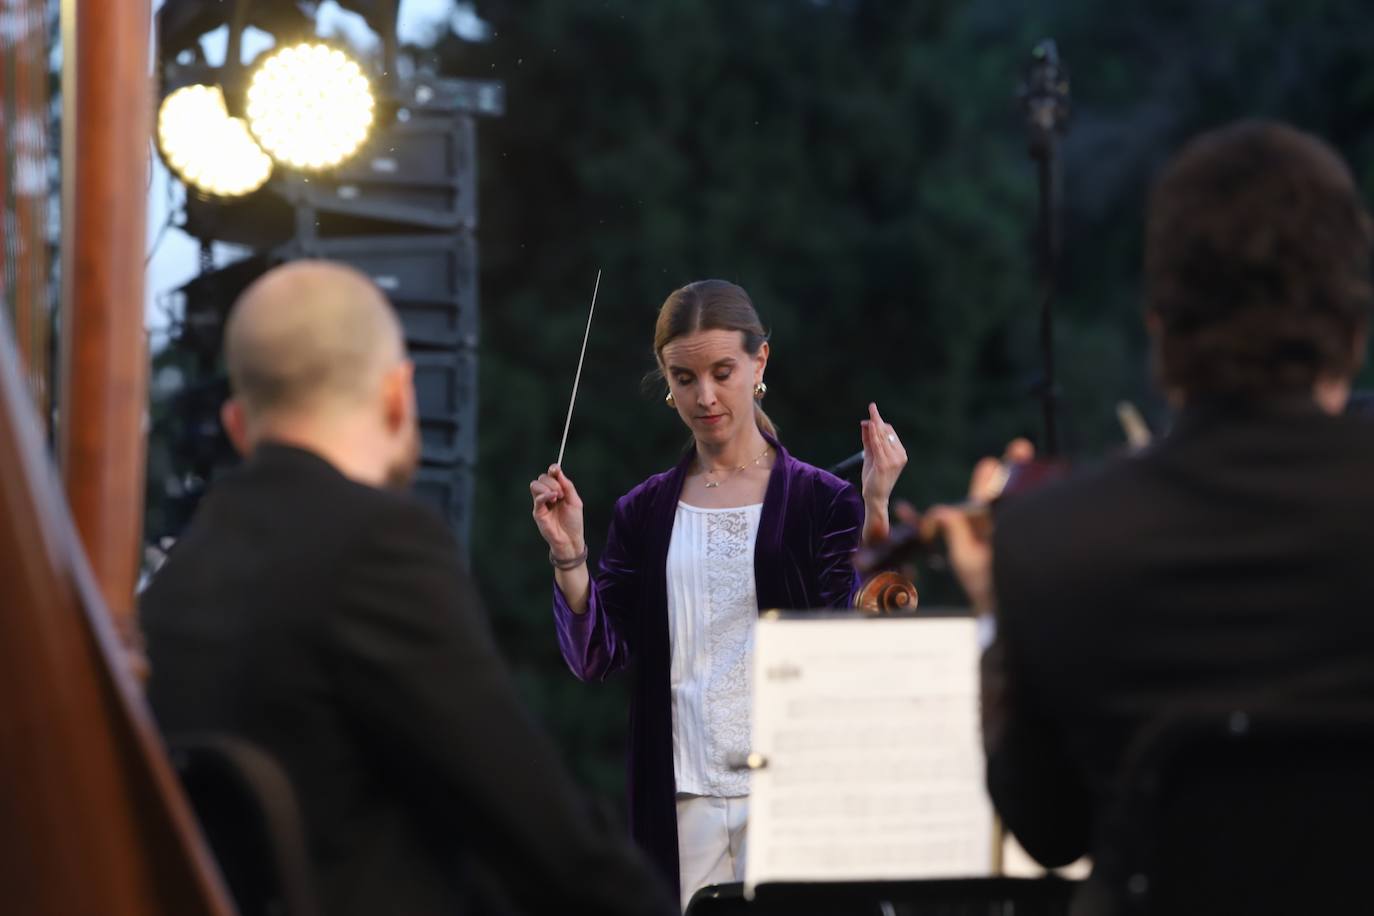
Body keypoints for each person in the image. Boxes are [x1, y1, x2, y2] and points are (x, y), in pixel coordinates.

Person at [929, 121, 1374, 910]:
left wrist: (999, 614)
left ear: (1160, 325)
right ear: (1354, 326)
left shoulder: (1053, 546)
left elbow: (1050, 827)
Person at [142, 261, 675, 916]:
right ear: (399, 394)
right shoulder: (376, 546)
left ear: (236, 425)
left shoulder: (167, 587)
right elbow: (539, 828)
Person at [529, 279, 907, 908]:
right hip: (680, 797)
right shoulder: (643, 510)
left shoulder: (821, 500)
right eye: (683, 377)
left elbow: (863, 643)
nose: (704, 396)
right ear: (665, 379)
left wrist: (875, 507)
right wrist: (570, 555)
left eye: (722, 371)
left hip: (794, 797)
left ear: (760, 363)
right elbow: (597, 656)